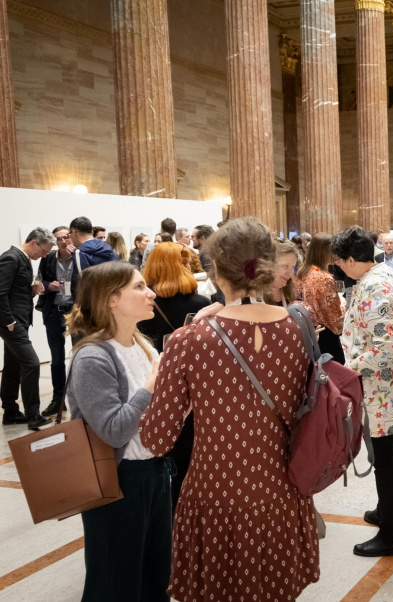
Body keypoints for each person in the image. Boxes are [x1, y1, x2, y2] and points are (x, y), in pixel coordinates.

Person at [140, 217, 320, 601]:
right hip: (281, 492)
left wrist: (158, 379)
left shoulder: (189, 340)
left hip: (216, 494)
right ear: (268, 267)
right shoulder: (296, 326)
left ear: (216, 269)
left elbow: (156, 439)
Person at [64, 261, 170, 602]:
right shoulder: (93, 357)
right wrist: (152, 387)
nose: (150, 293)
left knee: (155, 575)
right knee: (116, 580)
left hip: (154, 472)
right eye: (139, 287)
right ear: (111, 300)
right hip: (117, 479)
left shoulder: (143, 345)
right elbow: (113, 431)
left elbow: (156, 417)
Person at [331, 226, 393, 558]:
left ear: (350, 259)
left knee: (385, 458)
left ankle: (392, 533)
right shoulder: (384, 274)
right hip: (388, 385)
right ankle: (385, 510)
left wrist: (347, 369)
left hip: (381, 387)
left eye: (340, 262)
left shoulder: (375, 287)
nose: (339, 268)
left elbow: (383, 349)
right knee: (384, 456)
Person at [137, 242, 211, 514]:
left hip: (154, 384)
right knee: (188, 452)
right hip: (193, 389)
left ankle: (165, 514)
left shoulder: (144, 306)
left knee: (162, 450)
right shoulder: (201, 303)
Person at [0, 228, 54, 429]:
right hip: (12, 323)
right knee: (31, 363)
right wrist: (9, 321)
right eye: (44, 250)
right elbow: (1, 293)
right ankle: (33, 415)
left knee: (13, 364)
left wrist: (31, 291)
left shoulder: (21, 259)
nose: (45, 255)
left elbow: (15, 293)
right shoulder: (11, 258)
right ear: (34, 243)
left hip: (19, 320)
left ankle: (11, 411)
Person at [36, 226, 75, 416]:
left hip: (76, 312)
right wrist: (47, 285)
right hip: (54, 312)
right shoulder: (48, 258)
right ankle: (58, 400)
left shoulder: (80, 256)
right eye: (59, 238)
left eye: (66, 237)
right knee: (57, 358)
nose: (63, 241)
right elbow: (39, 281)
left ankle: (79, 397)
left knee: (79, 355)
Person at [296, 233, 346, 364]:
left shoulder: (303, 272)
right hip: (326, 335)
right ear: (325, 251)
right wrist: (343, 305)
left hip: (308, 332)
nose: (335, 254)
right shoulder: (324, 278)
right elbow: (335, 318)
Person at [68, 216, 119, 295]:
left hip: (94, 299)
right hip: (112, 295)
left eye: (69, 233)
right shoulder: (108, 248)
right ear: (91, 231)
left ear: (74, 232)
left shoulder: (79, 252)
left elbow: (82, 283)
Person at [270, 241, 300, 306]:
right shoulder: (255, 298)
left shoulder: (292, 294)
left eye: (292, 267)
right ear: (270, 265)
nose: (290, 273)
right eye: (285, 266)